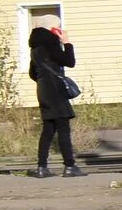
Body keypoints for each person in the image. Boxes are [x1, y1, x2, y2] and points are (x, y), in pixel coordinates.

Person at [28, 21, 83, 178]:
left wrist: (44, 80)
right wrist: (67, 43)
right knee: (63, 129)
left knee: (48, 130)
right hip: (56, 93)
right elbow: (69, 62)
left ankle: (41, 167)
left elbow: (32, 73)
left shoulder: (35, 47)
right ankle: (70, 166)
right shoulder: (51, 43)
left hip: (43, 92)